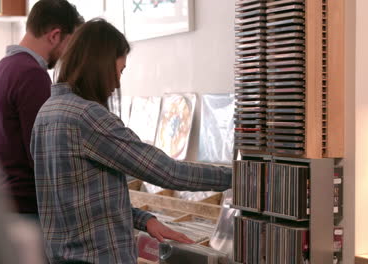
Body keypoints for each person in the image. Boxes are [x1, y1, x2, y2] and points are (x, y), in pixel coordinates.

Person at [30, 19, 232, 264]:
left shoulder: (46, 112)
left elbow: (81, 202)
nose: (116, 83)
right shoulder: (87, 116)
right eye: (120, 70)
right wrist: (237, 178)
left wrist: (143, 219)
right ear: (100, 65)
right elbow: (168, 172)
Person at [0, 0, 83, 217]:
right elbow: (43, 157)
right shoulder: (32, 75)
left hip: (3, 207)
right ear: (54, 36)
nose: (68, 55)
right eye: (71, 44)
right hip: (27, 211)